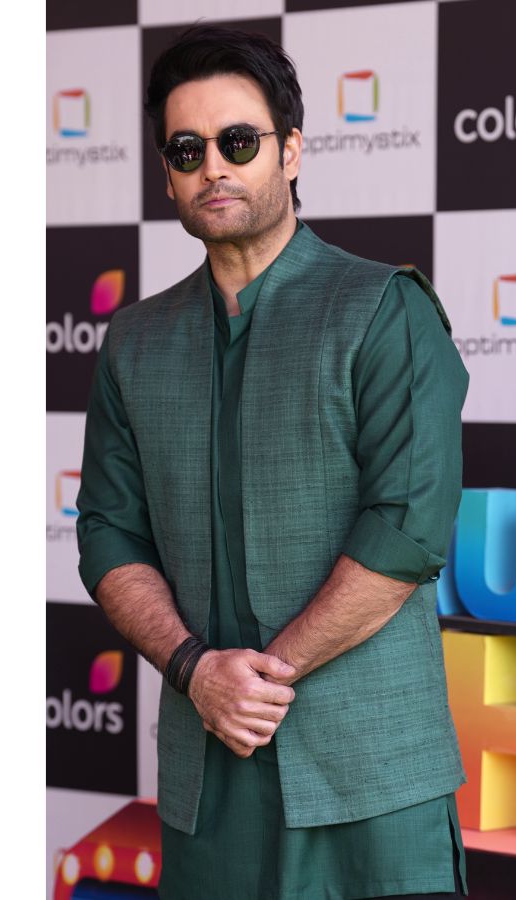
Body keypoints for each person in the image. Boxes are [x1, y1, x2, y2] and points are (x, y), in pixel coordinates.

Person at [76, 23, 470, 900]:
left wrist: (257, 680)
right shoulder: (134, 341)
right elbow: (106, 534)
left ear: (290, 152)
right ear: (167, 173)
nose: (213, 167)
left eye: (238, 141)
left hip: (373, 779)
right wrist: (197, 672)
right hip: (210, 781)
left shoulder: (383, 308)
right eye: (187, 150)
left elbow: (406, 530)